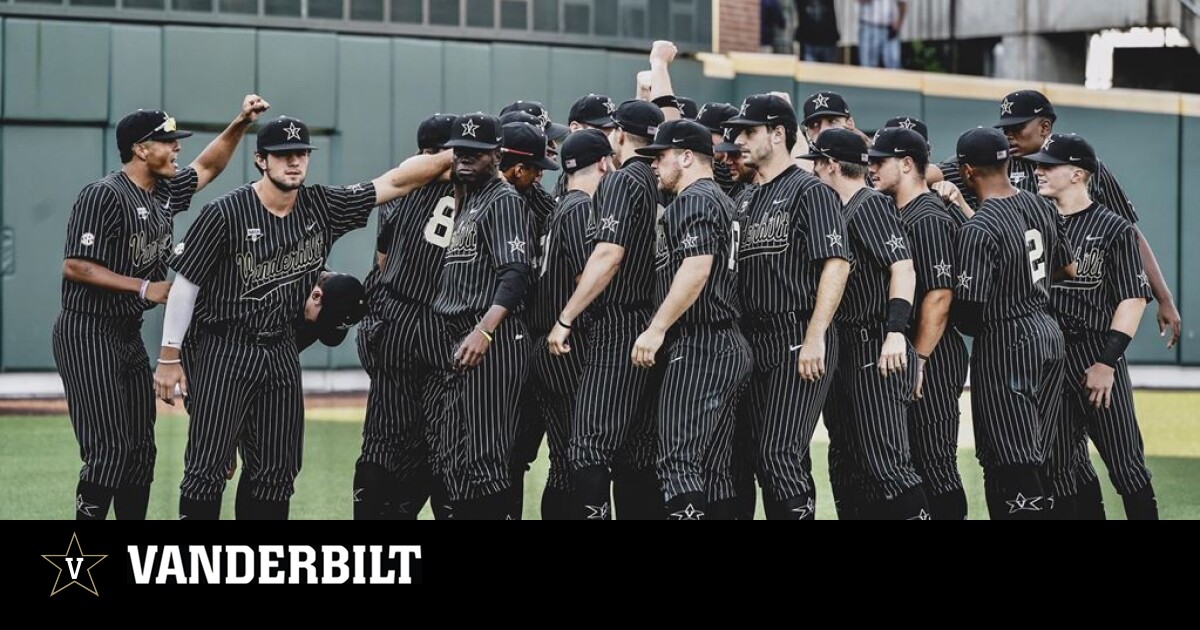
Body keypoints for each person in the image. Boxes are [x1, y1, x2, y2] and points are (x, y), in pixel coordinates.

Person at [153, 115, 453, 520]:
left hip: (279, 350)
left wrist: (460, 154)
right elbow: (185, 286)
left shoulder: (321, 206)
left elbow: (393, 183)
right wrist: (170, 358)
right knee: (208, 468)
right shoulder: (225, 213)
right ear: (261, 160)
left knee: (276, 470)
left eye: (300, 154)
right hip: (223, 347)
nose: (294, 162)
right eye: (282, 155)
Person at [54, 95, 269, 520]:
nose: (177, 149)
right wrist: (143, 288)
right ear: (140, 148)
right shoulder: (103, 195)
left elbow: (209, 167)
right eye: (168, 142)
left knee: (140, 452)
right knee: (109, 450)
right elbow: (74, 265)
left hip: (125, 333)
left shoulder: (164, 191)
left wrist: (241, 121)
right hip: (86, 330)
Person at [938, 90, 1181, 350]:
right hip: (1033, 315)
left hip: (1084, 309)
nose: (1008, 135)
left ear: (1045, 126)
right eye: (1004, 129)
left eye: (1017, 127)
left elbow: (1130, 233)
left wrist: (1163, 297)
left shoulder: (1084, 164)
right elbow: (931, 171)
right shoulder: (997, 160)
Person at [724, 93, 850, 520]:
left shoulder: (810, 191)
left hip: (796, 333)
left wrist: (815, 334)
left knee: (779, 453)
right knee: (758, 456)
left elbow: (836, 264)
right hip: (751, 339)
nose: (738, 139)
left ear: (778, 134)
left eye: (748, 131)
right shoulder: (744, 197)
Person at [1026, 133, 1158, 520]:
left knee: (1126, 465)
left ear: (1078, 173)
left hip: (1094, 352)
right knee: (1061, 468)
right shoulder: (1035, 220)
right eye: (1039, 164)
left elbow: (1133, 297)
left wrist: (1106, 363)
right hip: (1050, 357)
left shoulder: (1112, 227)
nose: (1039, 171)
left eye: (1049, 165)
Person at [950, 126, 1075, 520]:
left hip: (1007, 341)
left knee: (1011, 461)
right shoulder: (1040, 205)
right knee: (1039, 456)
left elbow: (969, 313)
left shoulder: (980, 227)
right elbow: (1068, 268)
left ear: (967, 171)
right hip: (1048, 333)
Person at [803, 128, 928, 519]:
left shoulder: (867, 204)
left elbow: (903, 268)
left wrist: (894, 331)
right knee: (849, 465)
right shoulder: (837, 210)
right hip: (847, 347)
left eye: (817, 164)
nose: (814, 172)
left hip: (875, 343)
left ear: (831, 165)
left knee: (887, 465)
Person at [634, 119, 752, 520]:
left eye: (660, 156)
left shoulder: (693, 198)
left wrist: (656, 327)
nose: (653, 165)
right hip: (727, 344)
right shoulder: (721, 198)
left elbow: (697, 268)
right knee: (713, 469)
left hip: (702, 343)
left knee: (678, 461)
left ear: (686, 157)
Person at [429, 113, 534, 520]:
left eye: (477, 152)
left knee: (484, 458)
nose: (466, 159)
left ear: (497, 154)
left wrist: (484, 331)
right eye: (461, 152)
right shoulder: (471, 202)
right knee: (456, 457)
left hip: (492, 340)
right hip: (463, 338)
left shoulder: (503, 199)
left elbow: (516, 273)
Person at [353, 114, 457, 520]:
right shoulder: (467, 187)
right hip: (437, 323)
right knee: (442, 439)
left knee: (383, 437)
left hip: (393, 315)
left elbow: (381, 259)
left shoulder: (399, 185)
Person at [869, 127, 970, 519]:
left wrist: (921, 360)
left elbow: (940, 295)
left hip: (933, 352)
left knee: (936, 463)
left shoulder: (927, 215)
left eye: (880, 161)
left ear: (907, 163)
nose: (872, 168)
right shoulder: (897, 211)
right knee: (908, 463)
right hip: (913, 351)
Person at [523, 130, 613, 518]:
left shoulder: (560, 205)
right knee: (584, 459)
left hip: (546, 345)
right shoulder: (579, 208)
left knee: (563, 463)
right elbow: (584, 277)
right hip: (567, 346)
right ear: (605, 164)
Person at [857, 0, 906, 69]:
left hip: (889, 27)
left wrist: (899, 23)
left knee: (893, 65)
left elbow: (902, 2)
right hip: (868, 25)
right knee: (867, 66)